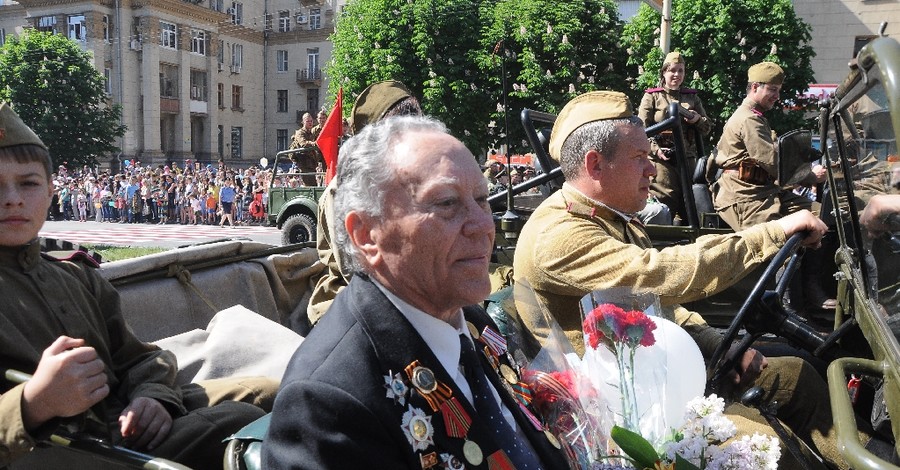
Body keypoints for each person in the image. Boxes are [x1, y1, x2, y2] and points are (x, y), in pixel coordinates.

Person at [513, 91, 864, 469]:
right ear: (595, 164)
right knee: (763, 444)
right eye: (639, 158)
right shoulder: (559, 234)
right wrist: (772, 233)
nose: (651, 169)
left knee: (797, 375)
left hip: (654, 379)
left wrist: (721, 348)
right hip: (617, 415)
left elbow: (654, 307)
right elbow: (659, 275)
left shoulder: (611, 217)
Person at [263, 115, 569, 469]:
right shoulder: (327, 403)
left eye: (483, 199)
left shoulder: (470, 320)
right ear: (366, 235)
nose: (485, 225)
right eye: (446, 203)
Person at [0, 103, 278, 469]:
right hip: (64, 449)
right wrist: (34, 402)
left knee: (273, 392)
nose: (13, 198)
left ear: (51, 191)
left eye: (28, 183)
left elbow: (140, 357)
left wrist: (154, 396)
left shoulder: (75, 276)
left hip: (122, 422)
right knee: (241, 425)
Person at [713, 61, 834, 312]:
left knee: (820, 217)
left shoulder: (757, 118)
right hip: (744, 197)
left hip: (763, 192)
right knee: (780, 242)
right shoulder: (748, 119)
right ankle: (783, 311)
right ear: (755, 87)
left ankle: (812, 289)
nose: (777, 97)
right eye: (773, 90)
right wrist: (811, 176)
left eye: (779, 90)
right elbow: (774, 164)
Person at [306, 80, 422, 327]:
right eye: (402, 128)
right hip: (350, 303)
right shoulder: (345, 189)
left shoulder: (414, 180)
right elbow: (356, 270)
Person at [638, 51, 713, 224]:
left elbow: (707, 127)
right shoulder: (652, 96)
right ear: (664, 72)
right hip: (661, 160)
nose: (676, 75)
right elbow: (641, 129)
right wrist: (656, 150)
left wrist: (696, 119)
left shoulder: (692, 97)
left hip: (687, 159)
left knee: (689, 204)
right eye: (672, 70)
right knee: (665, 199)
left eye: (681, 71)